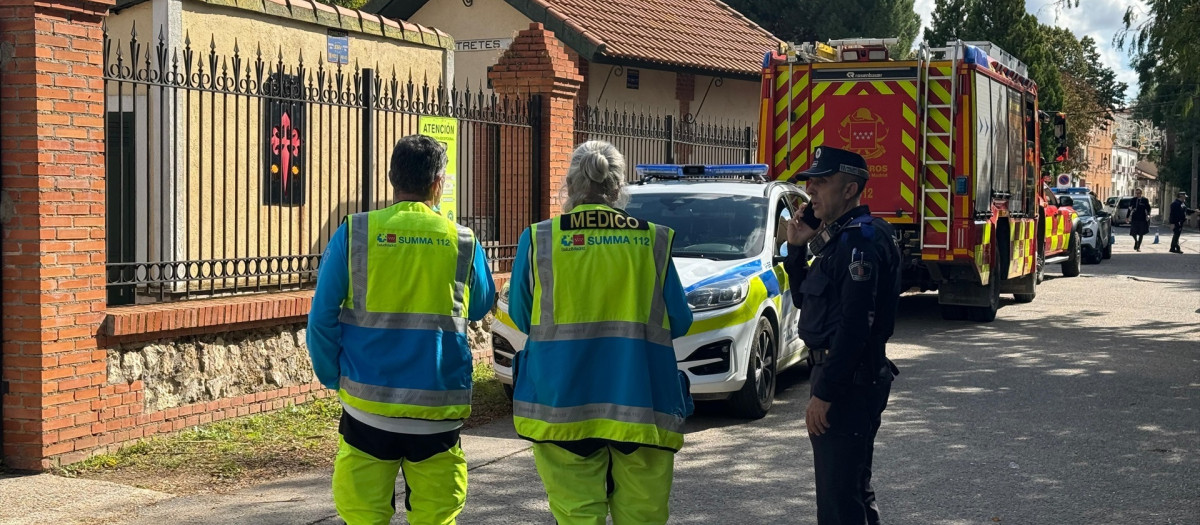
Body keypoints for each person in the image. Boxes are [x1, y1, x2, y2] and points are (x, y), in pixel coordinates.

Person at [306, 135, 495, 525]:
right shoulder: (462, 240)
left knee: (363, 515)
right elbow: (479, 305)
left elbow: (322, 316)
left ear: (392, 178)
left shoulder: (356, 232)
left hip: (367, 408)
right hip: (438, 408)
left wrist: (334, 376)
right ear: (438, 183)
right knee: (436, 517)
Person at [507, 140, 694, 525]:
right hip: (642, 402)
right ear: (619, 186)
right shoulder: (651, 240)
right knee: (643, 516)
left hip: (562, 404)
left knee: (577, 516)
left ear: (571, 184)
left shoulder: (540, 239)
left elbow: (524, 317)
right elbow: (679, 320)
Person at [783, 146, 901, 525]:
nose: (811, 191)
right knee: (851, 492)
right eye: (810, 182)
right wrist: (797, 249)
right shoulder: (837, 240)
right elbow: (805, 300)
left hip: (849, 381)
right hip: (840, 375)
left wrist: (826, 393)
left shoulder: (859, 242)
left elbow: (855, 324)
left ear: (849, 190)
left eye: (821, 182)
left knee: (839, 504)